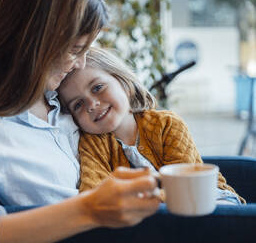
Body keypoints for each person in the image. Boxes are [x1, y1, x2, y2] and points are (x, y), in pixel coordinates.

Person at [0, 0, 161, 243]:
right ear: (33, 43)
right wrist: (88, 210)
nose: (79, 64)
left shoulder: (62, 100)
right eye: (75, 50)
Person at [57, 47, 245, 205]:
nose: (91, 104)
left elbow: (185, 188)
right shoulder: (91, 144)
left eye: (97, 87)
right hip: (151, 217)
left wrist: (132, 198)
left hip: (211, 201)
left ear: (125, 84)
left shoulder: (168, 124)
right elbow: (93, 196)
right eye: (78, 104)